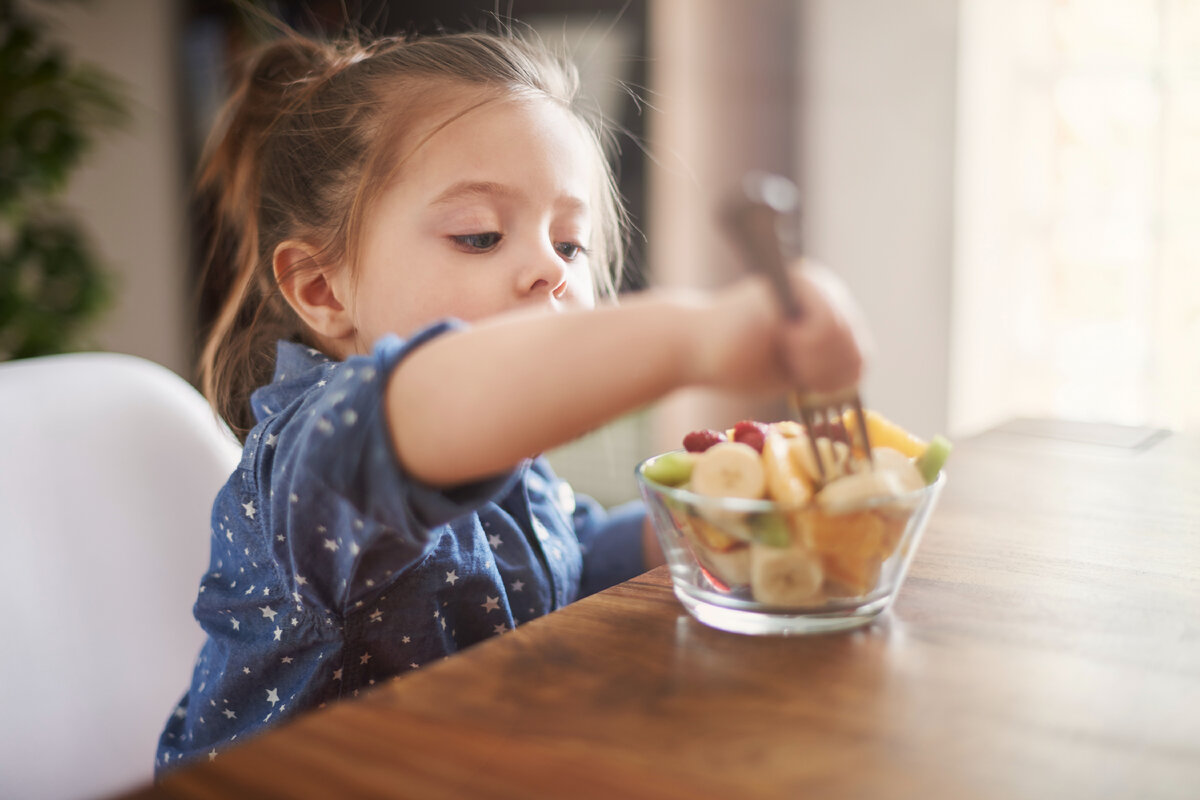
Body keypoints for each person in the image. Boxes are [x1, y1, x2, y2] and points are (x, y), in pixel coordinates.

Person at [156, 23, 869, 774]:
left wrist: (696, 525)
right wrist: (698, 335)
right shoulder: (319, 458)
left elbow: (562, 560)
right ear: (321, 288)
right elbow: (437, 395)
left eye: (570, 244)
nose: (548, 270)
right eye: (479, 236)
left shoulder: (504, 456)